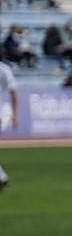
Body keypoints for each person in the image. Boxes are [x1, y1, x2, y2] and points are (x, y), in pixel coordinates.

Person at [0, 56, 16, 189]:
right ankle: (2, 177)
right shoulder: (5, 70)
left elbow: (13, 91)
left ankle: (2, 177)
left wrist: (15, 114)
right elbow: (13, 91)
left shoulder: (4, 70)